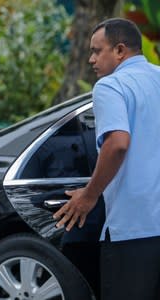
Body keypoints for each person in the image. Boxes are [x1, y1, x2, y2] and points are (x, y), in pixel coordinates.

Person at [54, 18, 160, 299]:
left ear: (120, 51)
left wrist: (89, 195)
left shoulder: (110, 86)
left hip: (133, 228)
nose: (90, 59)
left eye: (96, 51)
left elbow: (117, 143)